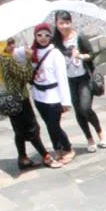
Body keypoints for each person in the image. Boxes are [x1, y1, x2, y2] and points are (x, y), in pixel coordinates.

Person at [0, 39, 49, 172]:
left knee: (19, 131)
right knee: (32, 128)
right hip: (20, 99)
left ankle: (23, 158)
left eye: (12, 43)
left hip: (13, 100)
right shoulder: (8, 60)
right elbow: (25, 76)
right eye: (8, 44)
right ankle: (46, 156)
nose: (12, 46)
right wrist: (28, 59)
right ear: (2, 46)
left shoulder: (1, 59)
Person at [54, 11, 105, 149]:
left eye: (67, 22)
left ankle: (100, 132)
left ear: (71, 22)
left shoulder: (79, 37)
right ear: (56, 24)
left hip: (84, 77)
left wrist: (81, 56)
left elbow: (92, 54)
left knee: (85, 107)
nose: (64, 26)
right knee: (78, 110)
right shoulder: (56, 42)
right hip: (68, 80)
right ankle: (89, 139)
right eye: (61, 23)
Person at [27, 22, 74, 162]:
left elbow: (62, 78)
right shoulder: (32, 52)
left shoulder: (55, 53)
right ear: (35, 36)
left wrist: (65, 101)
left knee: (54, 125)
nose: (43, 38)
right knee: (49, 125)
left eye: (46, 35)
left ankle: (67, 148)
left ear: (51, 36)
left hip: (53, 95)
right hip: (38, 95)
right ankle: (57, 148)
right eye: (39, 35)